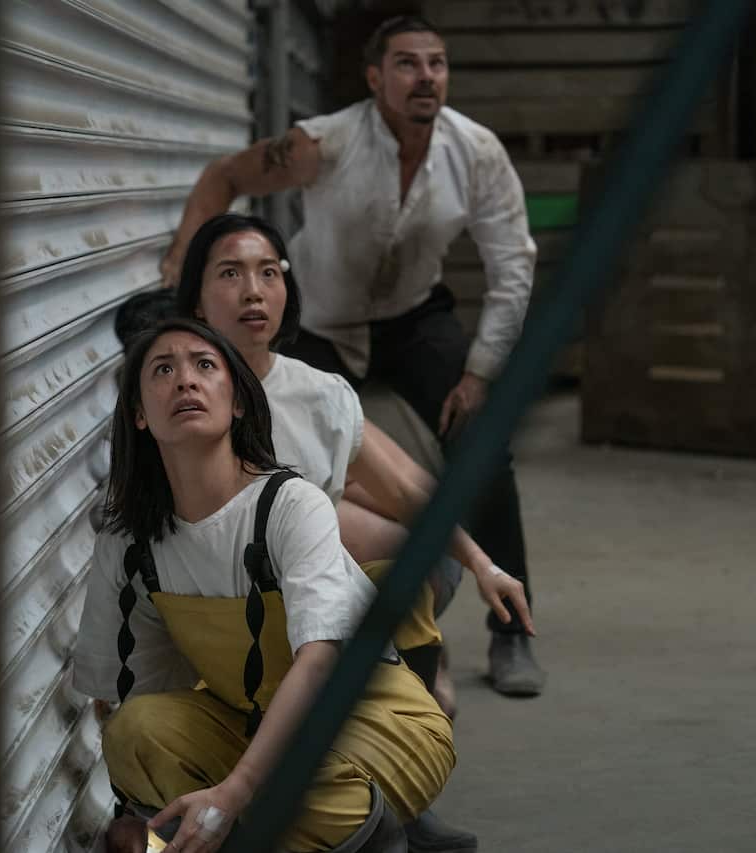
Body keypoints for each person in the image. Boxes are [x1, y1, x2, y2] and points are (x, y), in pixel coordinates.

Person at [157, 15, 545, 696]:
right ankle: (291, 626)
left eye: (437, 63)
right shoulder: (324, 143)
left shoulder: (475, 151)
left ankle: (512, 629)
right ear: (375, 78)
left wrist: (481, 369)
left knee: (485, 447)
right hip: (320, 322)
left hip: (413, 317)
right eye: (406, 63)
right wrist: (185, 267)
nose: (425, 76)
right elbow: (224, 176)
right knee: (293, 459)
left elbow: (513, 263)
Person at [74, 318, 455, 852]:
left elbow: (321, 661)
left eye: (205, 366)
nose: (186, 380)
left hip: (372, 718)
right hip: (252, 730)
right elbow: (132, 691)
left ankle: (384, 841)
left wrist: (233, 792)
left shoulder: (290, 505)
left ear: (236, 402)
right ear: (138, 414)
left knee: (296, 784)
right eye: (163, 369)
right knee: (134, 732)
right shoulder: (128, 542)